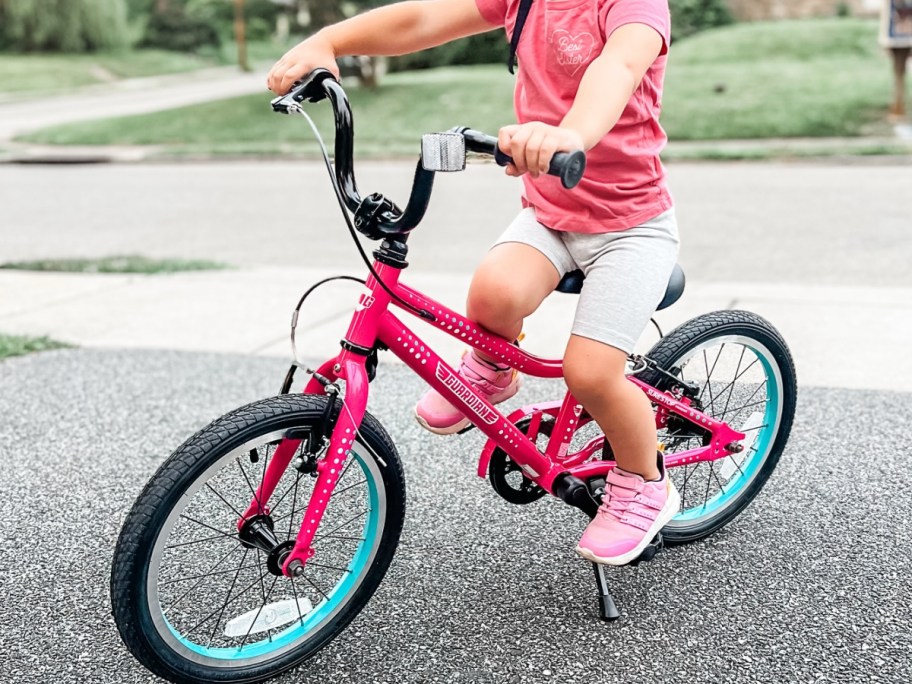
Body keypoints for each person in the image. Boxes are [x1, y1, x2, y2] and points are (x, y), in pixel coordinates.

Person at [267, 0, 681, 567]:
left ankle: (643, 480)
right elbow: (423, 19)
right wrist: (329, 42)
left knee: (590, 374)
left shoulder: (633, 4)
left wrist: (570, 134)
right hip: (548, 215)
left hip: (631, 229)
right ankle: (491, 370)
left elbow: (620, 67)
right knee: (492, 295)